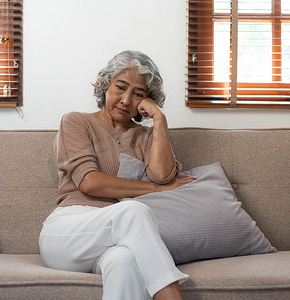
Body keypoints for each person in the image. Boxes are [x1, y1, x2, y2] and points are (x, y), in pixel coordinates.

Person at [39, 50, 196, 300]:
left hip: (115, 240)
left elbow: (163, 176)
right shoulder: (76, 121)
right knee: (135, 211)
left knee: (125, 261)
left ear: (147, 101)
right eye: (120, 88)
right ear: (105, 86)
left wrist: (159, 120)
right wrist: (155, 191)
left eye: (138, 94)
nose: (125, 100)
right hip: (69, 232)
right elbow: (90, 182)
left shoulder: (146, 138)